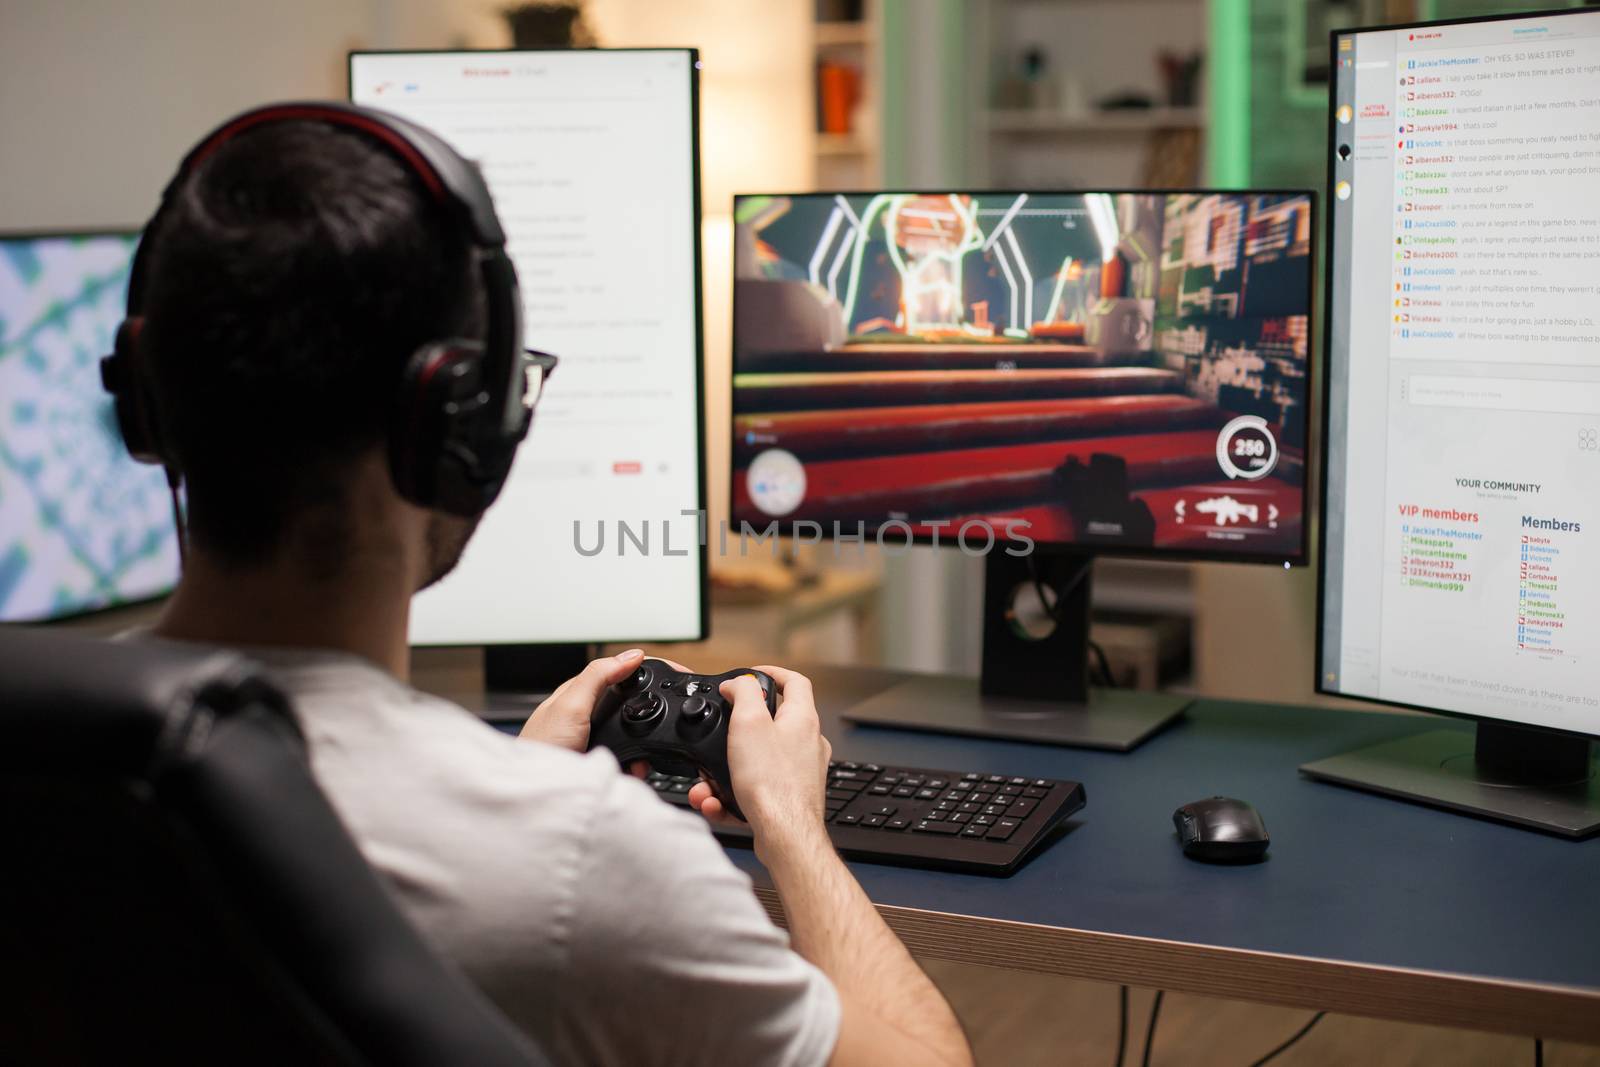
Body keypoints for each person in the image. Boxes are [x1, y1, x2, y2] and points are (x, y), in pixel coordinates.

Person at [127, 110, 973, 1067]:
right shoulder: (581, 859)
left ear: (146, 405)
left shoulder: (43, 743)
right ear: (462, 430)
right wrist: (793, 825)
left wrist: (516, 777)